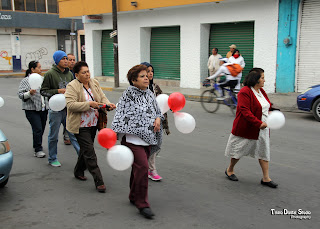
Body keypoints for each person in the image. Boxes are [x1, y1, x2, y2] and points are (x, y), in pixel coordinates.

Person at [111, 64, 163, 219]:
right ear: (133, 80)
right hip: (132, 140)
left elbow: (157, 111)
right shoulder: (128, 95)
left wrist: (158, 119)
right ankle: (142, 204)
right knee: (142, 168)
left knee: (138, 170)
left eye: (147, 75)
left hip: (148, 138)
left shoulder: (149, 94)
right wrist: (115, 133)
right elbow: (121, 115)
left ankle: (133, 195)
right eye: (142, 76)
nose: (146, 77)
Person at [65, 61, 116, 193]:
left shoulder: (94, 82)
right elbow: (70, 105)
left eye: (88, 71)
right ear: (76, 75)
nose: (87, 74)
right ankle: (99, 181)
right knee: (90, 152)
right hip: (80, 125)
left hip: (94, 122)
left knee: (85, 149)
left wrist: (108, 104)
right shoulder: (72, 86)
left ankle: (78, 170)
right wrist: (89, 104)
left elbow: (102, 97)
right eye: (84, 72)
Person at [224, 68, 278, 188]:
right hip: (248, 128)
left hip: (263, 129)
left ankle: (266, 178)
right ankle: (230, 169)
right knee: (238, 152)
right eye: (262, 78)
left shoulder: (261, 91)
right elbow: (245, 111)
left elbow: (266, 106)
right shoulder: (245, 92)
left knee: (264, 152)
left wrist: (273, 112)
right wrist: (258, 123)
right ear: (256, 80)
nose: (264, 80)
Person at [40, 50, 80, 167]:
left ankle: (82, 157)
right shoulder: (50, 74)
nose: (66, 61)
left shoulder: (69, 74)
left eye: (67, 59)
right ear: (57, 60)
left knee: (73, 134)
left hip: (68, 108)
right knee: (54, 135)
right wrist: (58, 91)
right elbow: (43, 91)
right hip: (56, 110)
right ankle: (52, 158)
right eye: (63, 59)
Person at [141, 62, 170, 181]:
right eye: (148, 71)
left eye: (152, 71)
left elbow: (164, 100)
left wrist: (172, 106)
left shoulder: (155, 87)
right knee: (147, 146)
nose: (150, 73)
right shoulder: (139, 89)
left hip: (158, 122)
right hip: (145, 124)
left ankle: (147, 166)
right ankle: (151, 170)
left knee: (157, 144)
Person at [18, 61, 48, 158]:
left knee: (41, 128)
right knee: (38, 128)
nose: (41, 69)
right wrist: (29, 93)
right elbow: (20, 95)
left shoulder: (43, 79)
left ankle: (36, 143)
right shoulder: (25, 81)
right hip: (31, 109)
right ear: (32, 69)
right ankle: (38, 149)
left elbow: (46, 92)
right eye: (39, 67)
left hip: (43, 108)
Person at [63, 53, 76, 145]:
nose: (72, 62)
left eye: (73, 60)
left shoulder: (77, 71)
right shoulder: (65, 73)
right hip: (65, 99)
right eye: (70, 60)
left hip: (76, 98)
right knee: (67, 118)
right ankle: (67, 135)